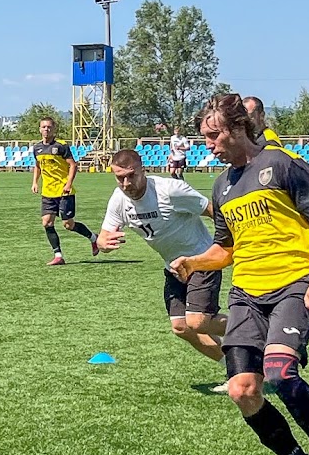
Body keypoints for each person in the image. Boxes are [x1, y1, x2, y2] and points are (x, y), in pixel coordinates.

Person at [170, 94, 309, 455]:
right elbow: (225, 248)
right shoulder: (222, 186)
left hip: (292, 284)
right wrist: (195, 262)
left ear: (237, 129)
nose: (209, 145)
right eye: (204, 138)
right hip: (246, 294)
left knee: (280, 373)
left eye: (214, 136)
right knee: (242, 390)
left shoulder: (281, 164)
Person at [98, 150, 229, 391]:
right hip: (173, 267)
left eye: (131, 176)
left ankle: (256, 329)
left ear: (143, 170)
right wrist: (102, 244)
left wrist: (225, 247)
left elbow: (213, 211)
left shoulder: (170, 190)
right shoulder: (119, 199)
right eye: (120, 178)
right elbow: (105, 236)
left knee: (199, 321)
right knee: (181, 326)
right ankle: (235, 368)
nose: (126, 184)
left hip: (201, 260)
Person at [31, 117, 99, 265]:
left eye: (49, 127)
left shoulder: (61, 146)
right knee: (47, 222)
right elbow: (37, 165)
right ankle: (58, 255)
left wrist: (68, 184)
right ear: (39, 129)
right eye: (43, 127)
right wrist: (35, 182)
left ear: (54, 129)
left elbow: (73, 165)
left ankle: (93, 238)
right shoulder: (37, 148)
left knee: (68, 225)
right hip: (47, 192)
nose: (46, 129)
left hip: (64, 191)